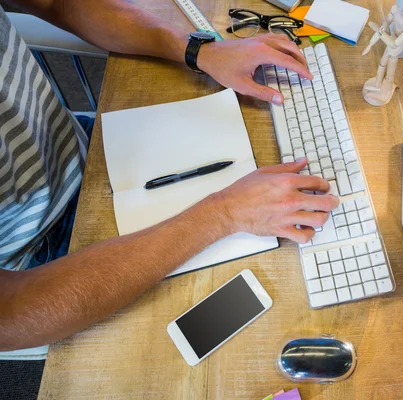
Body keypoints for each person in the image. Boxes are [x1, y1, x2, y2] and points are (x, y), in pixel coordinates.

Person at [0, 0, 338, 351]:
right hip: (39, 264)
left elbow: (59, 4)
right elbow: (10, 314)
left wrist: (200, 52)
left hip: (76, 146)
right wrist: (223, 213)